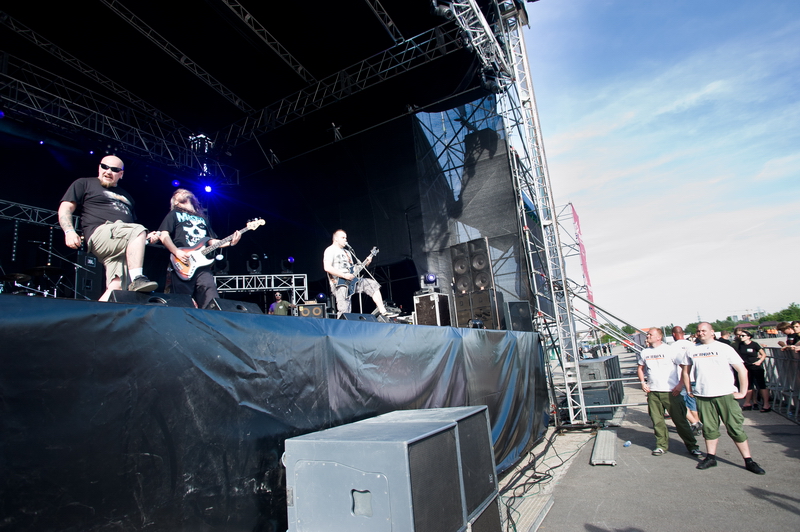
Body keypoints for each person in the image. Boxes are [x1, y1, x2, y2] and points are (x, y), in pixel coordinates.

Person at [58, 155, 158, 301]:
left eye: (115, 169)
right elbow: (65, 208)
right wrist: (69, 231)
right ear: (99, 167)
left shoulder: (128, 197)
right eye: (105, 167)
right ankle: (138, 278)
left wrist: (147, 240)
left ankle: (93, 320)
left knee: (117, 289)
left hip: (119, 243)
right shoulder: (84, 183)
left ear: (121, 174)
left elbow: (132, 236)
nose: (108, 171)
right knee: (139, 230)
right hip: (100, 232)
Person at [682, 322, 765, 474]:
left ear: (712, 332)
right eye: (698, 331)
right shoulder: (691, 350)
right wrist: (689, 389)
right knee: (709, 428)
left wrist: (742, 392)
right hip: (703, 395)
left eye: (704, 330)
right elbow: (686, 372)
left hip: (725, 394)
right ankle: (710, 457)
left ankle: (748, 460)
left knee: (734, 427)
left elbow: (741, 369)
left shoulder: (724, 348)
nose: (701, 333)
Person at [156, 189, 240, 310]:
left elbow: (211, 241)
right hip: (182, 262)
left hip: (202, 265)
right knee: (182, 302)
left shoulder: (203, 219)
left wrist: (231, 242)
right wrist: (176, 251)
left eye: (183, 191)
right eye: (177, 193)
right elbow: (163, 235)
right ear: (176, 202)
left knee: (211, 299)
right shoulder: (174, 214)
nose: (180, 191)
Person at [637, 328, 702, 457]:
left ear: (658, 337)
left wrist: (680, 385)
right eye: (648, 334)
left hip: (671, 392)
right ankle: (661, 446)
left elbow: (685, 367)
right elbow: (640, 368)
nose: (647, 336)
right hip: (653, 392)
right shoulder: (644, 352)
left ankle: (692, 446)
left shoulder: (670, 350)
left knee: (680, 421)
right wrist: (643, 382)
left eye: (650, 334)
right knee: (657, 421)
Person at [323, 230, 392, 319]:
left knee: (372, 284)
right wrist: (344, 275)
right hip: (339, 283)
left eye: (346, 238)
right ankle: (341, 329)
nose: (345, 240)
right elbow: (327, 267)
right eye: (343, 238)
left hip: (351, 280)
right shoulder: (330, 250)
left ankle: (383, 310)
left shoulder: (347, 252)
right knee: (345, 309)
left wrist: (366, 263)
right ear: (336, 239)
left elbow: (353, 269)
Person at [672, 326, 703, 435]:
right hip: (695, 377)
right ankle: (697, 423)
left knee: (679, 403)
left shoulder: (672, 347)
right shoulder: (693, 345)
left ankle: (694, 423)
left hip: (682, 379)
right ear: (683, 333)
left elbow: (680, 365)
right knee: (692, 403)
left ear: (673, 335)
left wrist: (680, 382)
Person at [735, 330, 770, 412]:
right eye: (740, 336)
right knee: (748, 385)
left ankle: (766, 404)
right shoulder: (740, 345)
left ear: (748, 336)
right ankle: (747, 403)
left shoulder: (754, 344)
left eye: (743, 335)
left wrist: (759, 361)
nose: (741, 337)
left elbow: (763, 354)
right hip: (746, 366)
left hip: (755, 366)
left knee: (761, 385)